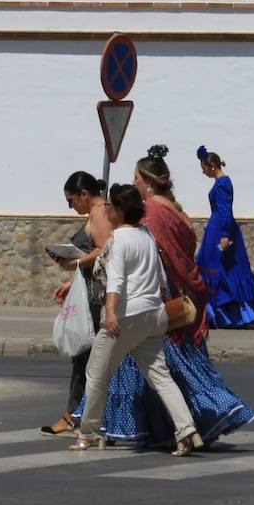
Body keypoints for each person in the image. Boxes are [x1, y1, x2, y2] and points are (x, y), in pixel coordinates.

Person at [136, 145, 254, 443]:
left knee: (169, 368)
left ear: (148, 181)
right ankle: (169, 425)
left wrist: (225, 234)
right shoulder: (174, 208)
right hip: (188, 277)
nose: (134, 183)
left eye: (136, 177)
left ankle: (192, 421)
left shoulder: (155, 210)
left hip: (169, 292)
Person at [71, 183, 202, 456]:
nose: (106, 210)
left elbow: (115, 280)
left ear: (119, 211)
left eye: (110, 206)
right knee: (160, 376)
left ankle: (89, 433)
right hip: (154, 315)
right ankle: (187, 431)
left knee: (96, 372)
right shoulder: (146, 236)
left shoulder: (119, 240)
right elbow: (161, 278)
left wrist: (109, 313)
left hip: (126, 315)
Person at [41, 172, 110, 438]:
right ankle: (78, 415)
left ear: (84, 194)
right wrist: (72, 281)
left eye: (71, 201)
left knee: (83, 357)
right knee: (85, 359)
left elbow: (104, 250)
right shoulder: (97, 213)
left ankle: (74, 416)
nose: (72, 207)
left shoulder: (99, 213)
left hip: (96, 299)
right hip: (89, 291)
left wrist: (74, 264)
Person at [195, 145, 254, 328]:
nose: (203, 172)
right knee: (218, 268)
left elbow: (225, 208)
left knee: (222, 268)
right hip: (216, 227)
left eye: (204, 168)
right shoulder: (220, 183)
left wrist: (224, 234)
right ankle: (222, 313)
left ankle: (229, 314)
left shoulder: (223, 183)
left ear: (212, 166)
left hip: (221, 229)